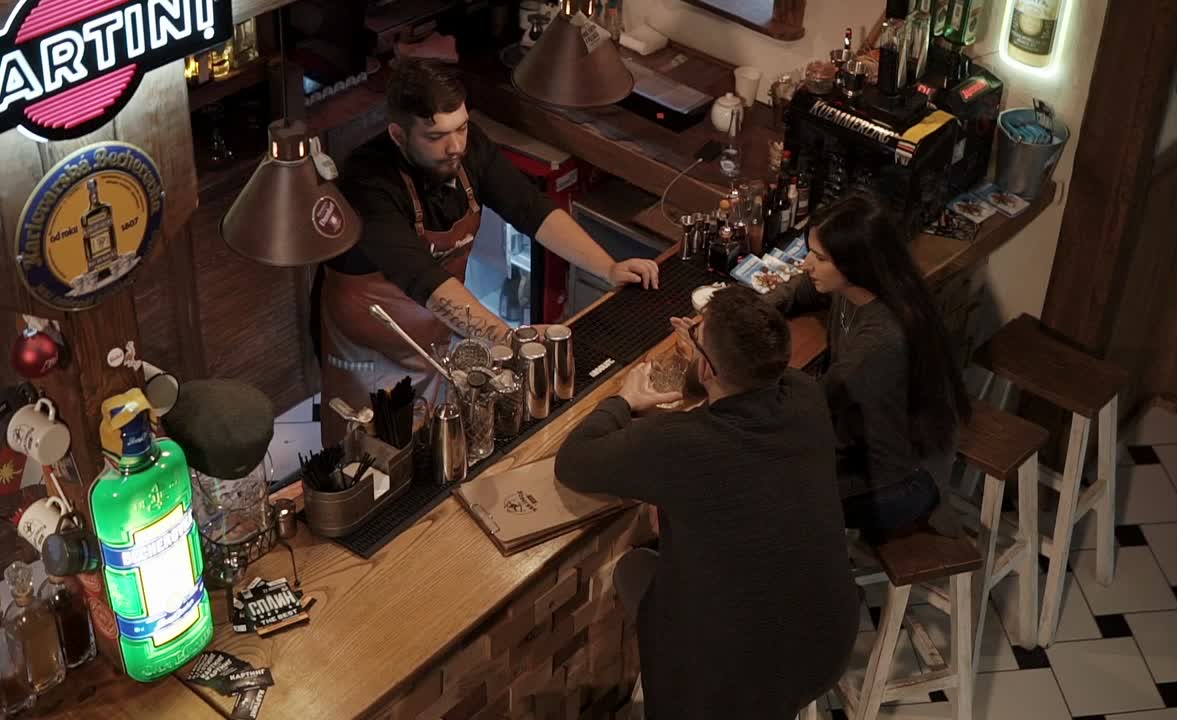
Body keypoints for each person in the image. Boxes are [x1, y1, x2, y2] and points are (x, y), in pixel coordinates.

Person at [314, 58, 659, 445]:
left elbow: (529, 208)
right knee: (372, 451)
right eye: (436, 136)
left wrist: (609, 268)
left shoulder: (466, 150)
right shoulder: (365, 185)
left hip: (434, 330)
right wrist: (510, 340)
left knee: (434, 439)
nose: (455, 147)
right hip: (371, 352)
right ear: (398, 134)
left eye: (461, 128)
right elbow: (423, 278)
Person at [556, 287, 860, 720]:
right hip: (826, 648)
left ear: (706, 366)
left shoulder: (680, 444)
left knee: (633, 569)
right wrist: (707, 352)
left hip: (729, 688)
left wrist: (623, 400)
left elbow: (574, 460)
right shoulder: (806, 396)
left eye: (697, 336)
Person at [770, 193, 972, 540]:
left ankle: (823, 575)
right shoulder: (860, 286)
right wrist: (745, 317)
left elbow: (810, 404)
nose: (806, 265)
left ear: (855, 264)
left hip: (900, 481)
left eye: (819, 258)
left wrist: (732, 364)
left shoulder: (881, 340)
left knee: (769, 493)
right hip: (861, 447)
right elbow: (798, 291)